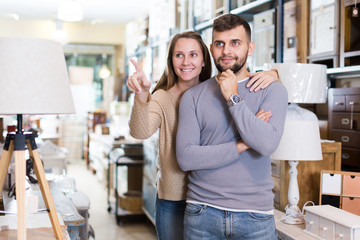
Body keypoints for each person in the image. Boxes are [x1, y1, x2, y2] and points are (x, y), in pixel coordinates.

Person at [127, 31, 279, 240]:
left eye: (193, 55)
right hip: (175, 199)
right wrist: (142, 93)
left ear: (204, 61)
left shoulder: (220, 90)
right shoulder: (163, 98)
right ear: (171, 60)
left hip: (211, 199)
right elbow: (140, 131)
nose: (186, 61)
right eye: (179, 55)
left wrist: (275, 74)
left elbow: (245, 78)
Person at [176, 14, 288, 240]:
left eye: (235, 43)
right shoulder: (192, 97)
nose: (226, 51)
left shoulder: (272, 90)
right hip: (202, 212)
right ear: (212, 49)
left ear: (250, 47)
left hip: (255, 216)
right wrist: (242, 145)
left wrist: (232, 97)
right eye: (220, 44)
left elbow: (266, 144)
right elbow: (186, 158)